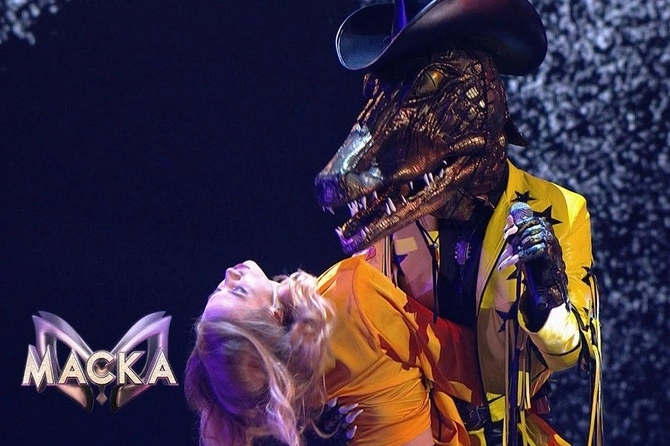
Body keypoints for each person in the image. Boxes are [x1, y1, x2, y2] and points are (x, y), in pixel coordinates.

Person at [314, 1, 602, 445]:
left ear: (486, 91)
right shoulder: (391, 218)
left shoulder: (561, 209)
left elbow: (568, 355)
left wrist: (545, 293)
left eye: (429, 84)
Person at [184, 256, 486, 446]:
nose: (230, 273)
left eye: (218, 289)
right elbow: (470, 365)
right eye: (238, 291)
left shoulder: (305, 381)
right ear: (274, 317)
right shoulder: (349, 293)